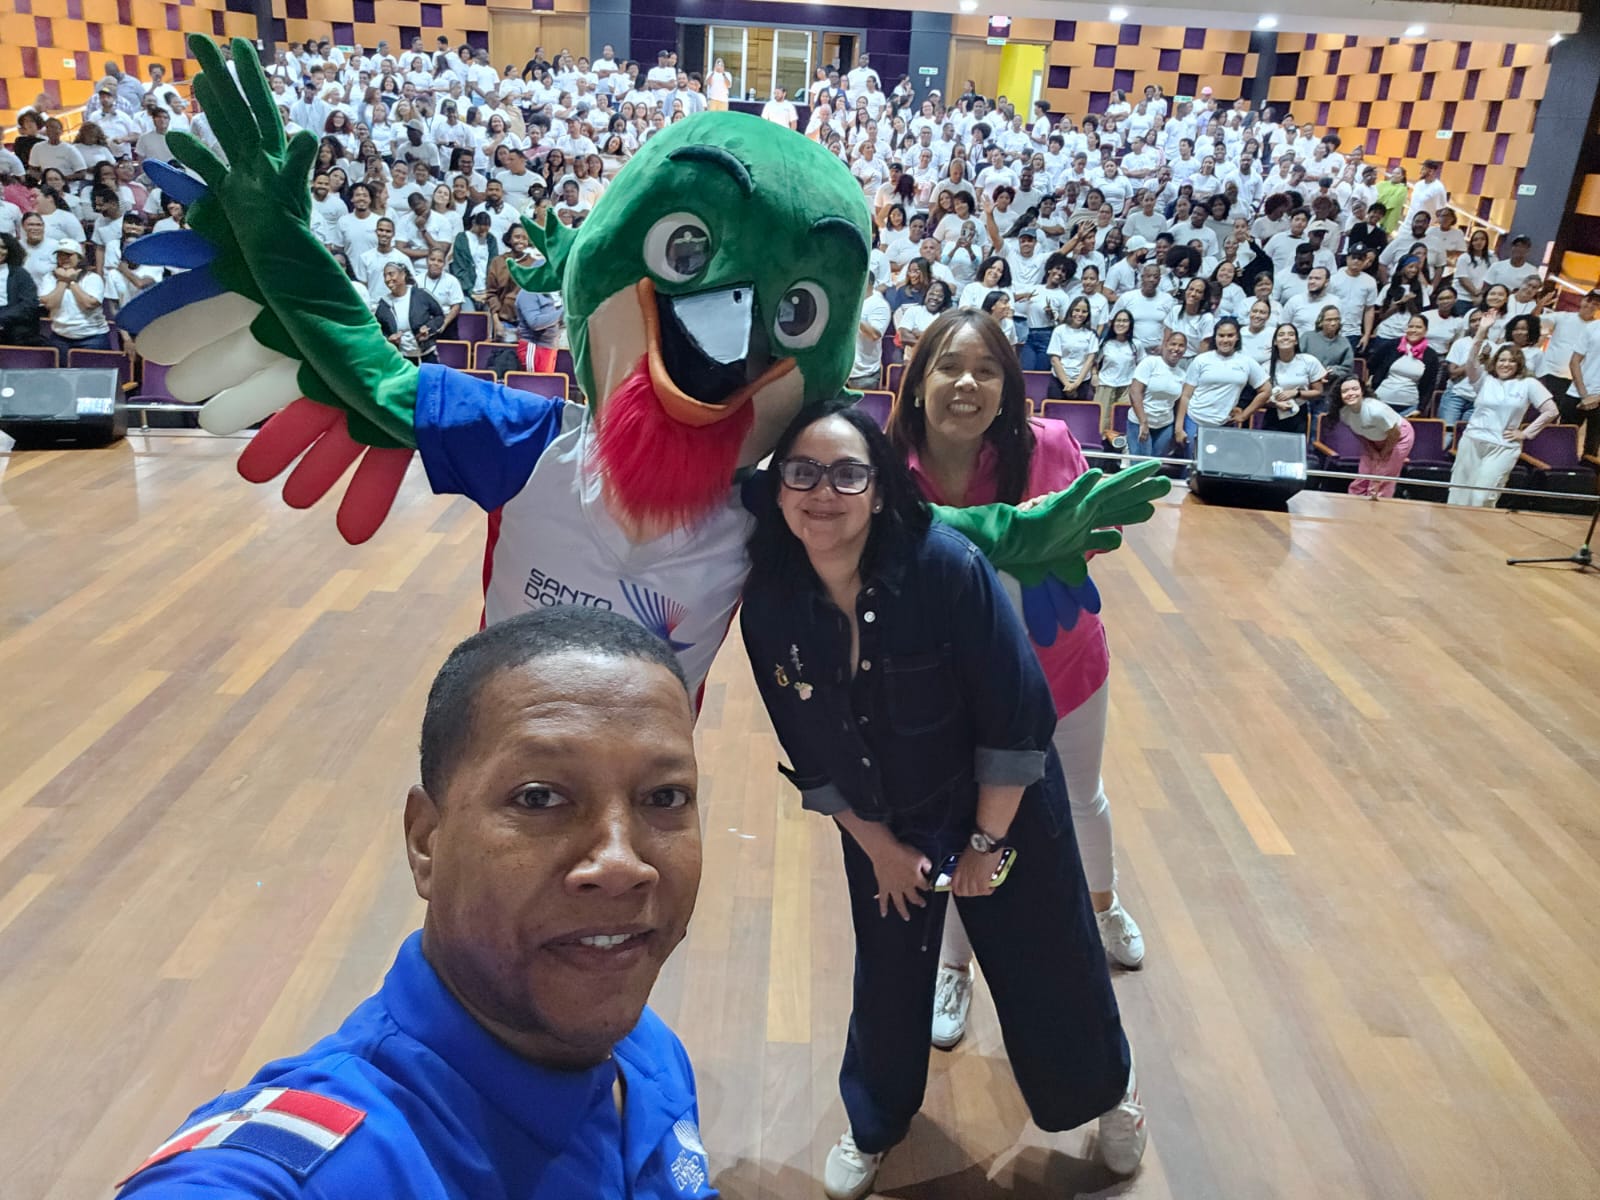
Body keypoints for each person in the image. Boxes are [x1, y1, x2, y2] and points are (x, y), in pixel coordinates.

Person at [114, 608, 716, 1200]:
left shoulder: (645, 1053)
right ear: (426, 840)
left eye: (665, 796)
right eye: (539, 798)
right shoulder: (316, 1169)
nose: (620, 864)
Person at [741, 398, 1145, 1200]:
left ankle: (1108, 1098)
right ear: (779, 488)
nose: (824, 492)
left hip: (1005, 810)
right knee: (889, 973)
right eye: (804, 472)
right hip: (884, 819)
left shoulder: (946, 566)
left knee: (1051, 959)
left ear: (881, 490)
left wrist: (986, 849)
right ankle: (875, 1123)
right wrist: (881, 848)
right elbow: (812, 750)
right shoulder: (771, 604)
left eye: (848, 473)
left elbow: (1018, 717)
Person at [1447, 310, 1560, 507]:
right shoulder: (1483, 379)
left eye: (1511, 361)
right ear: (1495, 361)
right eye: (1502, 359)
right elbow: (1472, 358)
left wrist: (1525, 433)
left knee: (1482, 497)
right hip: (1473, 440)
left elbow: (1551, 411)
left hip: (1503, 446)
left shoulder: (1528, 383)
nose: (1506, 364)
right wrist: (1483, 330)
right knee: (1458, 494)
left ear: (1519, 364)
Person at [1174, 317, 1269, 453]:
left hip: (1224, 425)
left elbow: (1266, 390)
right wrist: (1179, 428)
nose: (1225, 340)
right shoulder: (1201, 360)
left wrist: (1245, 415)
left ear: (1237, 337)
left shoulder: (1246, 362)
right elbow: (1186, 396)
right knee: (1191, 466)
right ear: (1215, 337)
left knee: (1217, 467)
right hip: (1195, 420)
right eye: (1221, 335)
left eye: (1230, 335)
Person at [1331, 377, 1414, 501]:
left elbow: (1395, 433)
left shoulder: (1376, 411)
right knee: (1364, 473)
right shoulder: (1344, 413)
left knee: (1382, 477)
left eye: (1355, 389)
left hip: (1399, 438)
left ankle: (1376, 511)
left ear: (1362, 391)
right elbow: (1359, 433)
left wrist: (1384, 453)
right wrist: (1371, 449)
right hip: (1372, 439)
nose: (1350, 394)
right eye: (1345, 391)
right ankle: (1355, 506)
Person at [1241, 323, 1326, 435]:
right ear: (1275, 341)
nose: (1286, 337)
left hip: (1299, 414)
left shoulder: (1309, 361)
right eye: (1281, 334)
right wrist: (1275, 403)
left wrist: (1296, 393)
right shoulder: (1266, 367)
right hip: (1273, 414)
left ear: (1296, 341)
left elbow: (1318, 392)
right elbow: (1260, 397)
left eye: (1291, 334)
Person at [40, 239, 112, 354]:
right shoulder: (49, 278)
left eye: (68, 255)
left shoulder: (92, 278)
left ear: (79, 257)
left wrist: (72, 282)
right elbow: (50, 305)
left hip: (93, 337)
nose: (64, 258)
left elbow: (89, 304)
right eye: (60, 255)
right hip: (60, 336)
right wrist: (63, 281)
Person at [1367, 315, 1440, 417]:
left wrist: (1420, 409)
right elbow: (1372, 364)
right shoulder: (1392, 345)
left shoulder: (1431, 355)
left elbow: (1429, 386)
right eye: (1410, 326)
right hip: (1380, 402)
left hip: (1409, 409)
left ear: (1426, 331)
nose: (1413, 330)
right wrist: (1371, 380)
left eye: (1418, 327)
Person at [1129, 330, 1187, 459]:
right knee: (1140, 468)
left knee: (1155, 466)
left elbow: (1178, 404)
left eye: (1181, 345)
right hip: (1140, 423)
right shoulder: (1150, 363)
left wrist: (1178, 428)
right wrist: (1143, 423)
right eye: (1173, 344)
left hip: (1165, 426)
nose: (1176, 349)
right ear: (1165, 344)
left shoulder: (1182, 375)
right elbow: (1134, 392)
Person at [374, 262, 446, 365]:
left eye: (391, 274)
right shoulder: (384, 304)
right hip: (402, 357)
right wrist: (389, 339)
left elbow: (439, 316)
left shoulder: (421, 294)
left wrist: (428, 328)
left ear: (403, 275)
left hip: (427, 353)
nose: (387, 279)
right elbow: (378, 330)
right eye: (385, 276)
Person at [1092, 308, 1140, 442]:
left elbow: (1141, 365)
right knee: (1102, 424)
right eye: (1118, 320)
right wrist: (1094, 375)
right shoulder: (1105, 343)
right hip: (1105, 385)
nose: (1121, 324)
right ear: (1113, 324)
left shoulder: (1136, 345)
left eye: (1125, 321)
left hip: (1127, 388)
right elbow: (1094, 362)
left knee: (1122, 424)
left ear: (1130, 324)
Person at [0, 232, 43, 345]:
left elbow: (29, 304)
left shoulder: (20, 274)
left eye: (3, 247)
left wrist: (2, 318)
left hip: (12, 326)